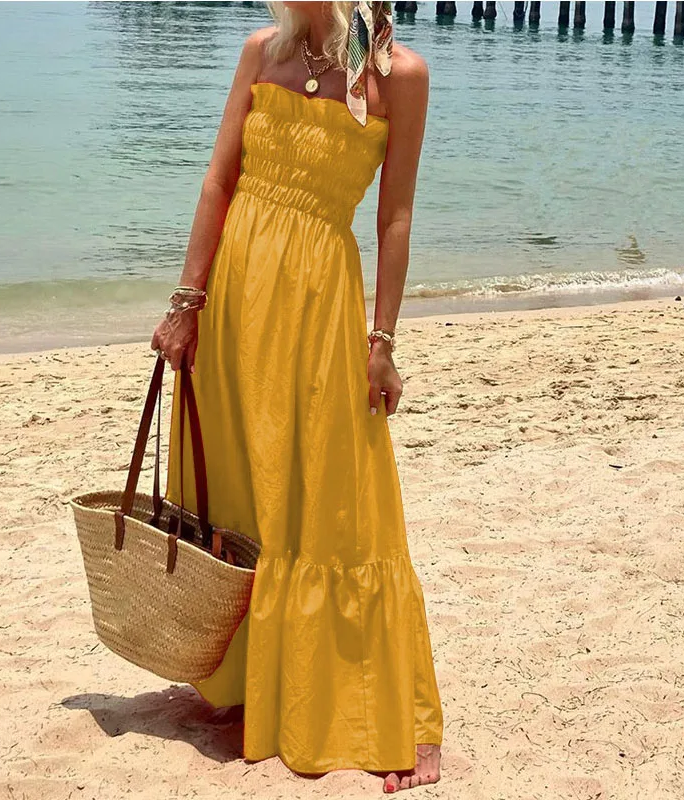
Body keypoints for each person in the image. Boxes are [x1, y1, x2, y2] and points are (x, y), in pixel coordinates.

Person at [151, 1, 442, 793]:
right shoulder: (261, 50)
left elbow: (395, 217)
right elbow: (219, 181)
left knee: (336, 498)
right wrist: (186, 303)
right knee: (244, 490)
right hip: (235, 299)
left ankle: (379, 708)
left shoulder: (399, 77)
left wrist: (382, 341)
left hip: (319, 305)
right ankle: (250, 682)